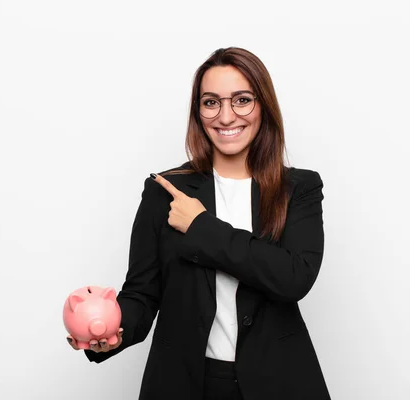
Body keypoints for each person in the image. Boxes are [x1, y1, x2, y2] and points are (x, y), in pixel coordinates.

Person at [66, 47, 330, 400]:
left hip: (278, 380)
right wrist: (109, 333)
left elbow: (294, 277)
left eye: (242, 100)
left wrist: (201, 227)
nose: (225, 116)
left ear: (263, 106)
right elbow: (143, 294)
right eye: (211, 102)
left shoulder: (299, 188)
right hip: (186, 382)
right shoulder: (165, 190)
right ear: (198, 111)